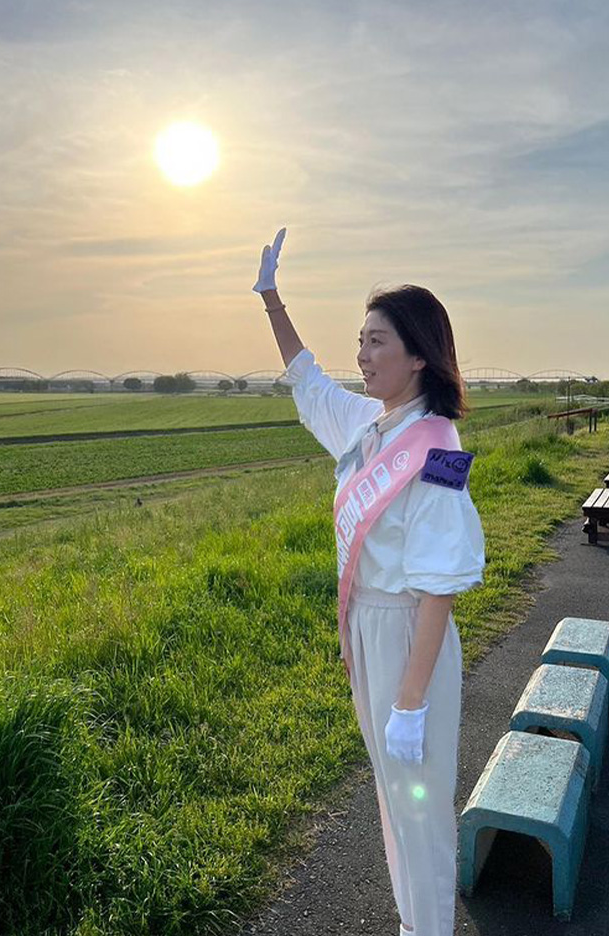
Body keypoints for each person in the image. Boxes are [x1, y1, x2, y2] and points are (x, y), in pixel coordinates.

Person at [252, 228, 485, 936]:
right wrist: (271, 300)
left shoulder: (438, 449)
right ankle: (415, 923)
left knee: (420, 808)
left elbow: (440, 586)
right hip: (366, 626)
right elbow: (309, 381)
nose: (361, 354)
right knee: (392, 794)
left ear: (419, 355)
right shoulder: (369, 426)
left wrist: (411, 701)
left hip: (410, 634)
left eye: (377, 341)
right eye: (360, 340)